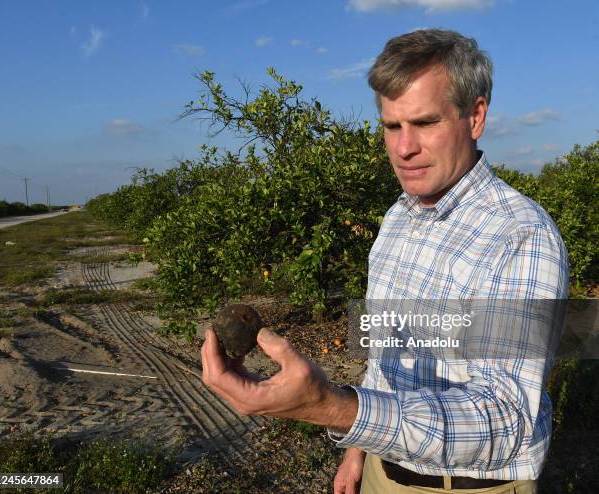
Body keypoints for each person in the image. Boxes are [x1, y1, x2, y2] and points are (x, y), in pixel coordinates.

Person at [201, 29, 569, 494]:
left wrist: (332, 407)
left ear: (475, 116)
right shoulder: (398, 215)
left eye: (425, 123)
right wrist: (358, 451)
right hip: (380, 468)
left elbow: (505, 420)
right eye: (392, 126)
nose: (403, 147)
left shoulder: (520, 237)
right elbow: (383, 352)